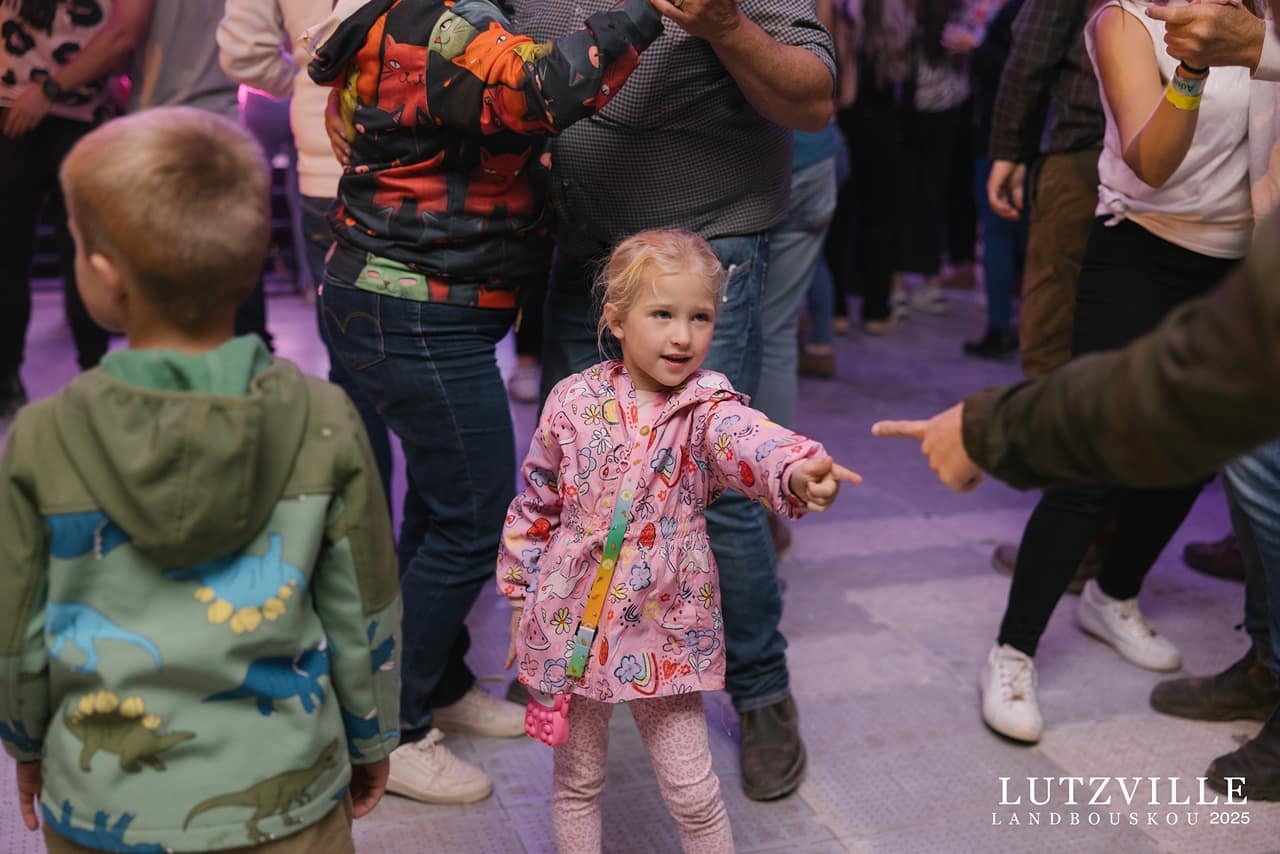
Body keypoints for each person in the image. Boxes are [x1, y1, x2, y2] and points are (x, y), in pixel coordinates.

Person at [0, 107, 401, 852]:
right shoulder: (326, 420)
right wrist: (373, 736)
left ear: (103, 277)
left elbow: (15, 626)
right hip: (291, 806)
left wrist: (25, 742)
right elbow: (363, 607)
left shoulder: (41, 437)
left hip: (102, 811)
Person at [306, 0, 665, 805]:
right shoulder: (443, 21)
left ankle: (433, 681)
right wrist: (647, 10)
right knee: (470, 521)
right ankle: (391, 732)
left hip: (417, 301)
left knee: (440, 512)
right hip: (415, 308)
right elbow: (544, 88)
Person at [515, 0, 837, 800]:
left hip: (704, 247)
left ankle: (761, 693)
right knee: (576, 479)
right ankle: (568, 656)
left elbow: (813, 99)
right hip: (585, 251)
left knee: (708, 489)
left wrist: (724, 25)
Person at [497, 230, 859, 852]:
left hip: (662, 630)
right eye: (662, 314)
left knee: (693, 793)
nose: (683, 336)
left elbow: (750, 439)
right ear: (616, 319)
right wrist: (518, 599)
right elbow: (536, 503)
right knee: (576, 783)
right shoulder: (570, 401)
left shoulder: (705, 407)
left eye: (700, 317)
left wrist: (798, 469)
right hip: (570, 625)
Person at [966, 0, 1258, 746]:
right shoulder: (1124, 17)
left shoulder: (1261, 18)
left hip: (1237, 265)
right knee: (1090, 458)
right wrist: (1192, 67)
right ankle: (1013, 652)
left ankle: (1114, 594)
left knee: (1194, 458)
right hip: (1141, 251)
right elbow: (1152, 162)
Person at [217, 0, 395, 495]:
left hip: (328, 164)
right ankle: (444, 534)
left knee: (352, 364)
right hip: (435, 156)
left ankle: (369, 526)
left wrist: (307, 78)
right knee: (443, 359)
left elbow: (243, 51)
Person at [0, 0, 151, 421]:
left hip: (83, 117)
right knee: (8, 261)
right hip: (12, 116)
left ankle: (96, 375)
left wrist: (49, 90)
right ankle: (7, 381)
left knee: (91, 257)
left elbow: (122, 39)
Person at [128, 0, 274, 348]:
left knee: (164, 257)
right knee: (235, 247)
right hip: (223, 121)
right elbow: (268, 44)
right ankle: (251, 353)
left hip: (158, 125)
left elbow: (121, 35)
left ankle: (179, 353)